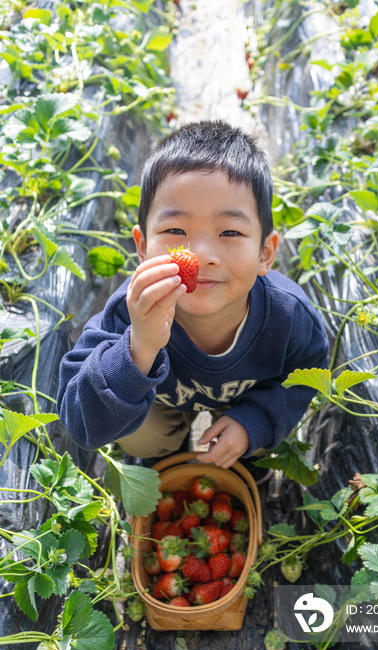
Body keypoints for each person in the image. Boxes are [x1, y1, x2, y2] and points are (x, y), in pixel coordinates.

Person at [57, 120, 328, 469]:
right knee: (141, 434)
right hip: (161, 403)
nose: (199, 255)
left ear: (265, 253)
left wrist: (256, 422)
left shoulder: (288, 318)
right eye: (175, 230)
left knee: (260, 443)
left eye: (230, 231)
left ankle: (241, 446)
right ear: (142, 247)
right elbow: (81, 425)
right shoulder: (128, 312)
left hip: (245, 400)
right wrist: (139, 345)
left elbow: (307, 375)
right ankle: (164, 454)